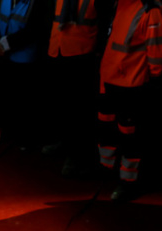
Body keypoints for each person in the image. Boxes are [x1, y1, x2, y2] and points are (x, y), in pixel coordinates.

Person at [97, 0, 162, 200]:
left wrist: (155, 78)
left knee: (130, 135)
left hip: (131, 82)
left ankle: (128, 182)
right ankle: (107, 170)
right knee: (107, 128)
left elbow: (157, 50)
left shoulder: (151, 10)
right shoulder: (121, 4)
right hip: (110, 77)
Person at [41, 0, 111, 176]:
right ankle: (63, 143)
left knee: (79, 110)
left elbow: (104, 23)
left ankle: (77, 155)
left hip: (82, 55)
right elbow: (49, 17)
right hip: (57, 49)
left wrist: (97, 52)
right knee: (60, 105)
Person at [0, 0, 45, 149]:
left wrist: (6, 44)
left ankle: (22, 137)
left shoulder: (37, 3)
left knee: (21, 101)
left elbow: (35, 29)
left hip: (22, 58)